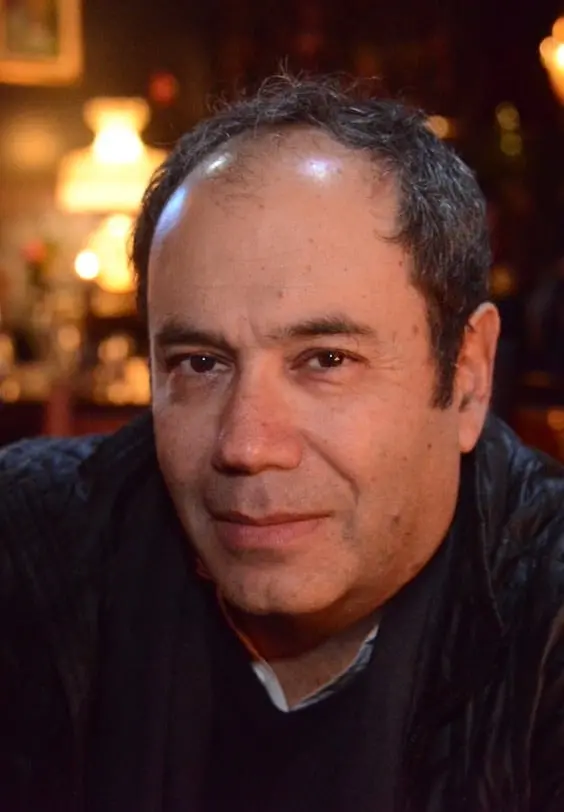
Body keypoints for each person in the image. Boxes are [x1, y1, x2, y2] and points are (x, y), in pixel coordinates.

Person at [1, 75, 563, 812]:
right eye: (201, 364)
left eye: (326, 359)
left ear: (466, 374)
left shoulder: (545, 608)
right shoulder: (27, 543)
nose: (246, 444)